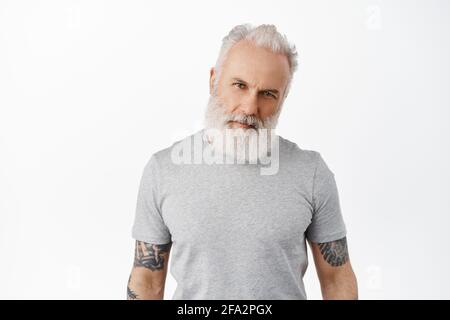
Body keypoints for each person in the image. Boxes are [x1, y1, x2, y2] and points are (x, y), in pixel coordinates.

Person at [127, 24, 358, 300]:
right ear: (214, 80)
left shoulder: (312, 172)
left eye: (268, 94)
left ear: (283, 98)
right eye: (240, 85)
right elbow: (147, 279)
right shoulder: (162, 171)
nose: (250, 108)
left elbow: (336, 278)